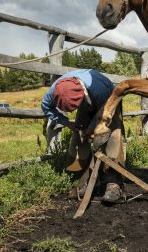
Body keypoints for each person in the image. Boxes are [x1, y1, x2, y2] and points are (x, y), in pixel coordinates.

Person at [41, 69, 125, 203]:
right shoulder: (54, 92)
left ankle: (113, 183)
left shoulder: (98, 88)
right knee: (79, 134)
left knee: (112, 135)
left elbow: (103, 113)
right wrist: (67, 122)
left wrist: (92, 128)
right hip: (85, 102)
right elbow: (45, 107)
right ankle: (81, 180)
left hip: (108, 99)